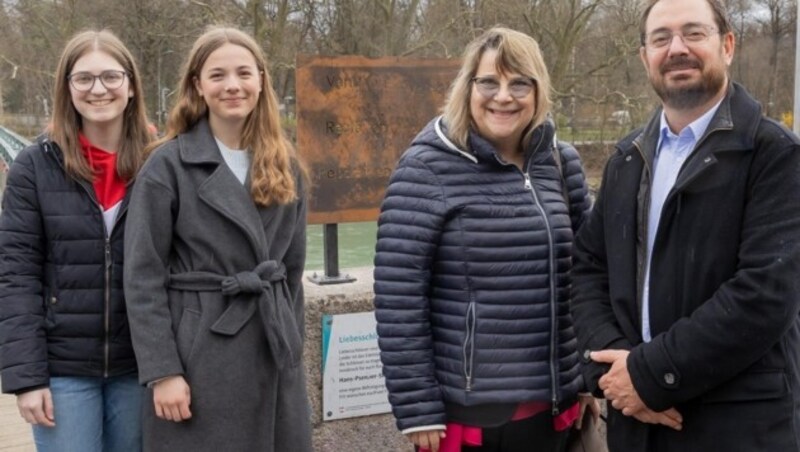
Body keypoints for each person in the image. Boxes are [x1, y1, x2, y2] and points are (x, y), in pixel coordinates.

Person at [569, 0, 800, 451]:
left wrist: (650, 375)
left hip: (736, 426)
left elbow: (765, 292)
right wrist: (617, 374)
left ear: (727, 45)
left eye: (693, 33)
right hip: (638, 425)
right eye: (661, 38)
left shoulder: (775, 155)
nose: (677, 48)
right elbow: (587, 270)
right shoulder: (626, 160)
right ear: (644, 57)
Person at [373, 27, 599, 452]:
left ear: (538, 92)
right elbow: (398, 297)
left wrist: (586, 373)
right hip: (473, 416)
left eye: (519, 83)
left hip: (557, 405)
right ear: (467, 88)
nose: (503, 96)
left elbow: (586, 277)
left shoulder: (560, 161)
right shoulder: (426, 167)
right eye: (489, 82)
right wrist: (417, 405)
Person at [123, 26, 312, 452]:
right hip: (197, 356)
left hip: (272, 350)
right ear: (197, 85)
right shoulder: (167, 166)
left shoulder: (286, 165)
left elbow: (293, 272)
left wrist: (292, 351)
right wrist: (163, 371)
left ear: (262, 81)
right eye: (218, 75)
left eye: (244, 73)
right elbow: (142, 277)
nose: (233, 86)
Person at [0, 29, 151, 451]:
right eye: (83, 78)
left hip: (140, 367)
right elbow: (16, 275)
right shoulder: (34, 166)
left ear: (131, 85)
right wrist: (26, 378)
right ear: (67, 88)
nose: (98, 89)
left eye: (110, 77)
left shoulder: (160, 164)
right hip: (62, 371)